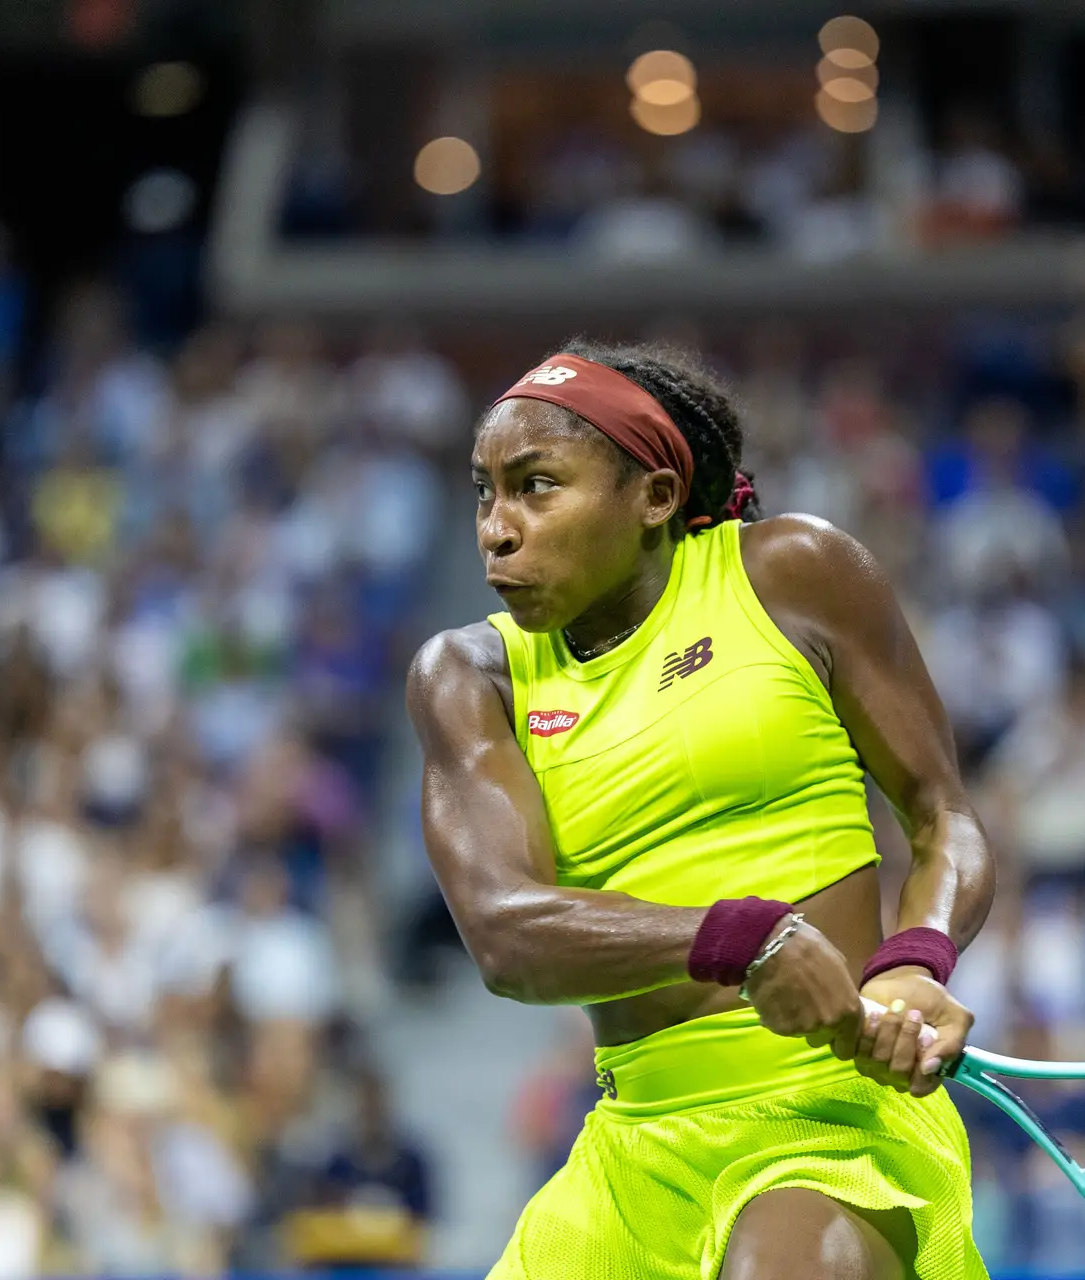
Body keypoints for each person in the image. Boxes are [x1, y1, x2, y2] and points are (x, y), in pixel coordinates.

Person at [407, 343, 996, 1279]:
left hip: (830, 1124)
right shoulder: (469, 675)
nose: (498, 528)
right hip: (632, 1150)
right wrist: (745, 938)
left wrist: (918, 959)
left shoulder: (792, 572)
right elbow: (506, 935)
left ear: (653, 496)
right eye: (485, 493)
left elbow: (941, 818)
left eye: (537, 486)